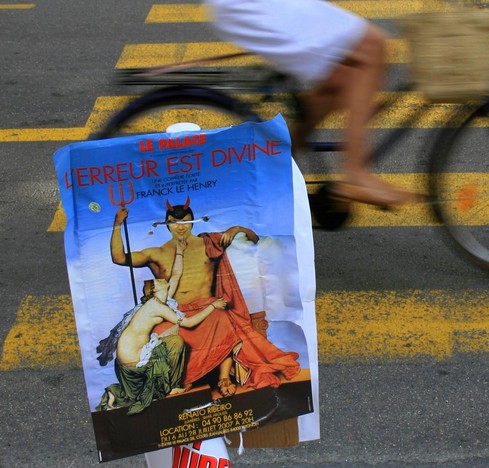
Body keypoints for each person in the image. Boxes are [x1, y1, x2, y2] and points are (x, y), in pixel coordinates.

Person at [204, 0, 419, 207]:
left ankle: (275, 166)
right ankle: (354, 173)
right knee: (372, 46)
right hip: (253, 7)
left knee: (340, 78)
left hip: (251, 8)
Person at [110, 199, 300, 396]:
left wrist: (237, 229)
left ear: (192, 222)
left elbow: (254, 240)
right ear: (167, 224)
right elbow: (119, 258)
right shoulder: (156, 253)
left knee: (223, 319)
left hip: (208, 309)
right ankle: (179, 379)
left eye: (185, 221)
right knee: (161, 333)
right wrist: (117, 224)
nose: (180, 227)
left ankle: (223, 377)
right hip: (175, 314)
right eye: (174, 222)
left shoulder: (209, 243)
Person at [96, 242, 228, 414]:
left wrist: (180, 250)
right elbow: (189, 323)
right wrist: (213, 306)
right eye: (158, 281)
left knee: (170, 341)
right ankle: (168, 388)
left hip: (129, 357)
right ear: (155, 290)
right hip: (132, 361)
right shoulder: (156, 306)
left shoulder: (162, 299)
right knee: (176, 342)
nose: (161, 279)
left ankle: (117, 394)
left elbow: (176, 275)